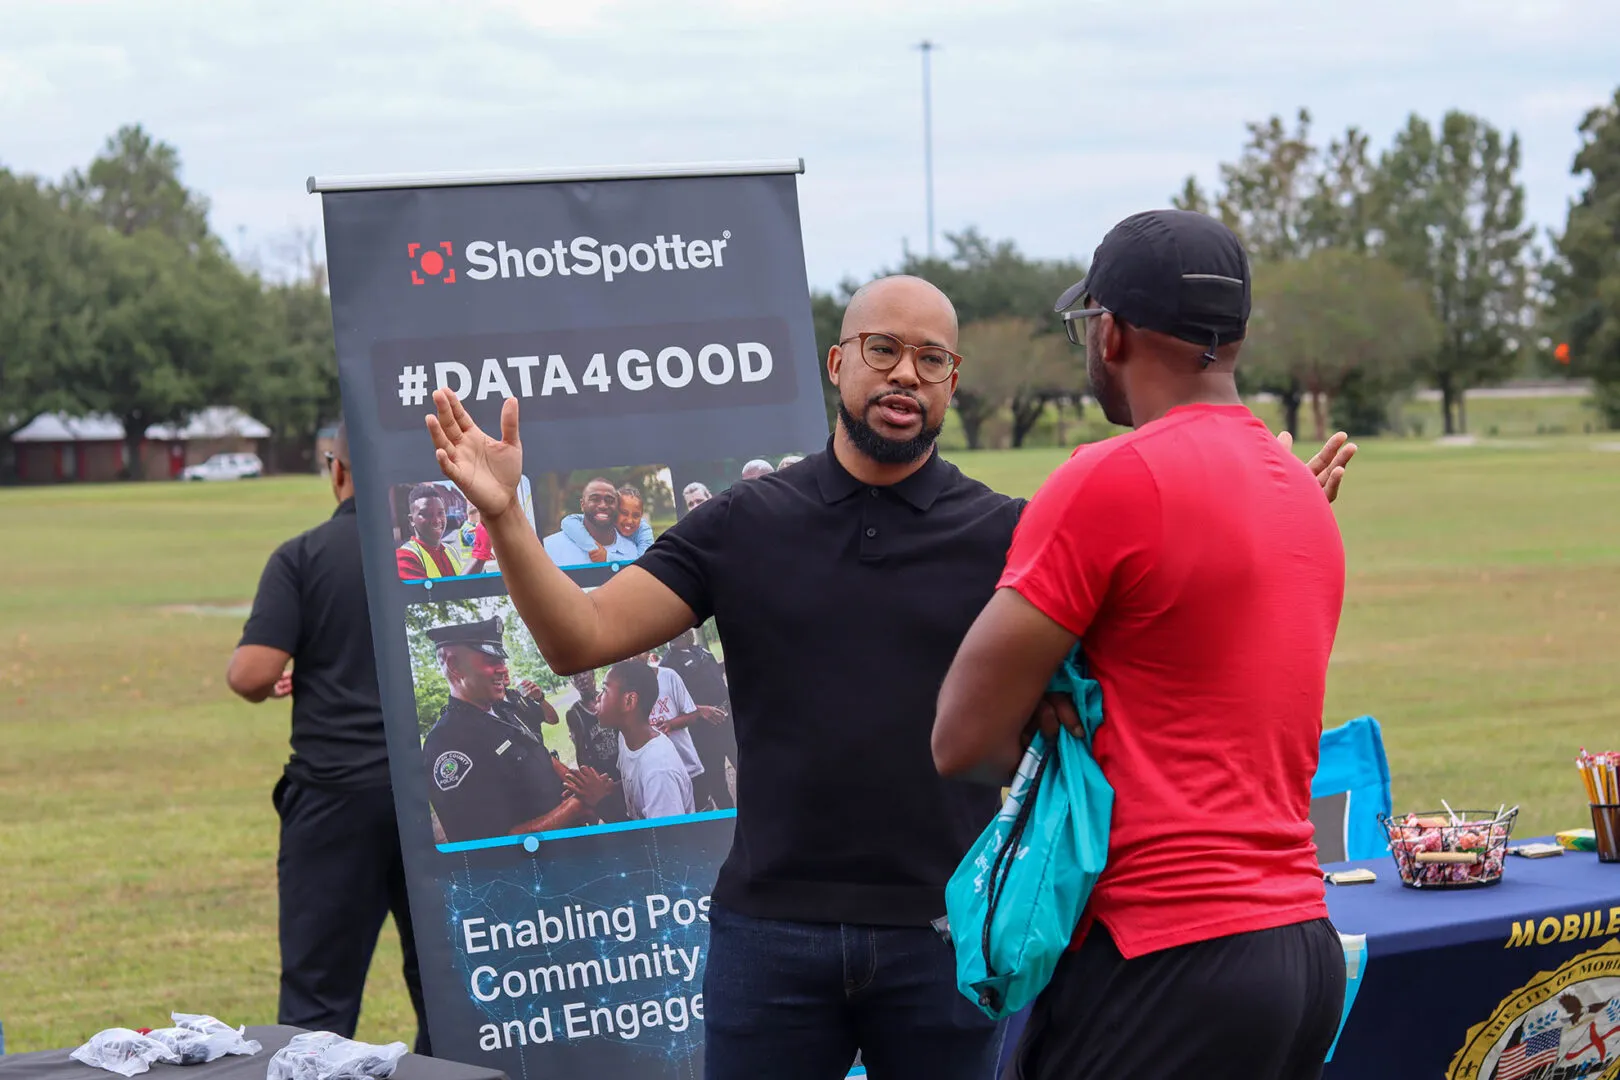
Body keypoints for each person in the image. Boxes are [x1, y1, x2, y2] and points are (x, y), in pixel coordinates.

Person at [422, 271, 1354, 1080]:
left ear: (953, 382)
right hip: (769, 934)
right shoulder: (747, 521)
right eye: (882, 349)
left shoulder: (1012, 532)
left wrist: (1267, 519)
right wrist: (506, 517)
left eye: (931, 359)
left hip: (945, 938)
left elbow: (1168, 631)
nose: (906, 373)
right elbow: (579, 637)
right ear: (838, 364)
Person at [933, 209, 1351, 1080]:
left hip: (1162, 949)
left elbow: (961, 740)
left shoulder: (1109, 477)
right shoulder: (1302, 493)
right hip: (1299, 949)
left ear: (1110, 332)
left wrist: (1047, 702)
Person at [226, 421, 431, 1055]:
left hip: (334, 798)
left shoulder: (303, 555)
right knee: (448, 990)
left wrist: (285, 672)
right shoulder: (424, 556)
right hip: (434, 799)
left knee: (317, 1004)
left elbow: (250, 674)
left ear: (335, 468)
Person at [420, 616, 616, 842]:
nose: (503, 669)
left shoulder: (504, 708)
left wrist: (579, 783)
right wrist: (578, 805)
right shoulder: (447, 743)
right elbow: (490, 844)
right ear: (454, 665)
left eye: (501, 660)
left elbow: (538, 752)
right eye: (490, 660)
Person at [597, 660, 696, 821]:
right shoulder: (626, 737)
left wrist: (601, 802)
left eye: (604, 690)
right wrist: (609, 789)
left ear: (629, 701)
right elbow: (634, 784)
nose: (598, 697)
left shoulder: (659, 770)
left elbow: (664, 842)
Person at [660, 629, 737, 810]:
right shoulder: (668, 666)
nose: (691, 631)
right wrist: (700, 710)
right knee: (717, 782)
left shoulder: (698, 650)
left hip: (728, 720)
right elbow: (672, 703)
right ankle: (730, 822)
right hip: (705, 731)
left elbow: (711, 674)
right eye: (686, 629)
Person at [563, 669, 628, 822]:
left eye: (584, 673)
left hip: (624, 767)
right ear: (572, 682)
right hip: (603, 777)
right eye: (575, 676)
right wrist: (587, 782)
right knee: (615, 817)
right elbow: (580, 752)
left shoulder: (609, 698)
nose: (581, 679)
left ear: (592, 674)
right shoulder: (574, 713)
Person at [542, 478, 641, 567]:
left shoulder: (632, 551)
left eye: (610, 500)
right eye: (594, 499)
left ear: (617, 506)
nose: (603, 505)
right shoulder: (549, 547)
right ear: (582, 504)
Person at [560, 483, 655, 561]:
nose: (630, 520)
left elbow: (644, 563)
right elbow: (567, 522)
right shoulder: (608, 518)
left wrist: (607, 557)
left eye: (636, 515)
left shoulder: (644, 531)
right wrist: (593, 547)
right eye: (624, 513)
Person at [396, 483, 467, 580]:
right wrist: (479, 556)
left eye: (440, 513)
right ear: (412, 520)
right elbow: (433, 594)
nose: (436, 520)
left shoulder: (451, 550)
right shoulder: (405, 557)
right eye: (426, 514)